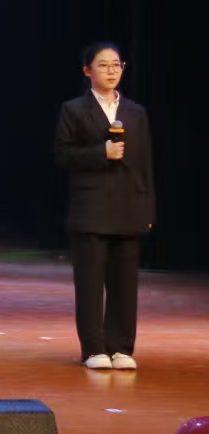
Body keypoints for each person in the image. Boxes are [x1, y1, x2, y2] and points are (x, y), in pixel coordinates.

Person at [53, 43, 155, 370]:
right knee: (90, 283)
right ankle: (94, 348)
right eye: (103, 65)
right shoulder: (73, 109)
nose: (111, 71)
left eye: (116, 65)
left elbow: (144, 165)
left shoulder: (136, 112)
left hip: (129, 206)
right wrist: (101, 153)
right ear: (87, 71)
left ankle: (121, 347)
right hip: (91, 208)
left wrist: (147, 209)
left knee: (125, 284)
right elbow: (63, 154)